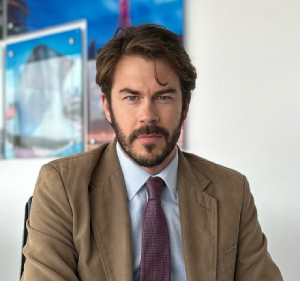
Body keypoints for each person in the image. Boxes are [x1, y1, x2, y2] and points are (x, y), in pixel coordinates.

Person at [22, 24, 283, 281]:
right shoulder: (61, 186)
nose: (148, 116)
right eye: (131, 98)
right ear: (107, 107)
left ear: (185, 106)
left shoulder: (231, 190)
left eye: (163, 97)